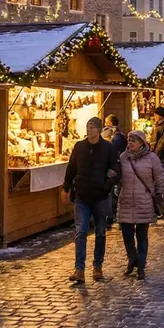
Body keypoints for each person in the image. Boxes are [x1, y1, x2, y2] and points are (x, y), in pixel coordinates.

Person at [63, 117, 120, 283]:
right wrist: (66, 187)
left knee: (100, 232)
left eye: (93, 127)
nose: (90, 130)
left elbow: (116, 169)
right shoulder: (79, 147)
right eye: (88, 127)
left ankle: (97, 266)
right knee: (80, 232)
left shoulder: (108, 148)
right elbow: (71, 167)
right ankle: (79, 268)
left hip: (100, 196)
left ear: (99, 130)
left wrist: (107, 185)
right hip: (82, 196)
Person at [116, 130, 164, 280]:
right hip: (126, 201)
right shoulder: (123, 158)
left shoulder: (152, 158)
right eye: (129, 140)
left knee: (141, 235)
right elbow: (118, 178)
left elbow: (161, 179)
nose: (130, 143)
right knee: (126, 234)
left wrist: (163, 197)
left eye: (133, 141)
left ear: (141, 143)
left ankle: (141, 265)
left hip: (144, 202)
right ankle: (132, 258)